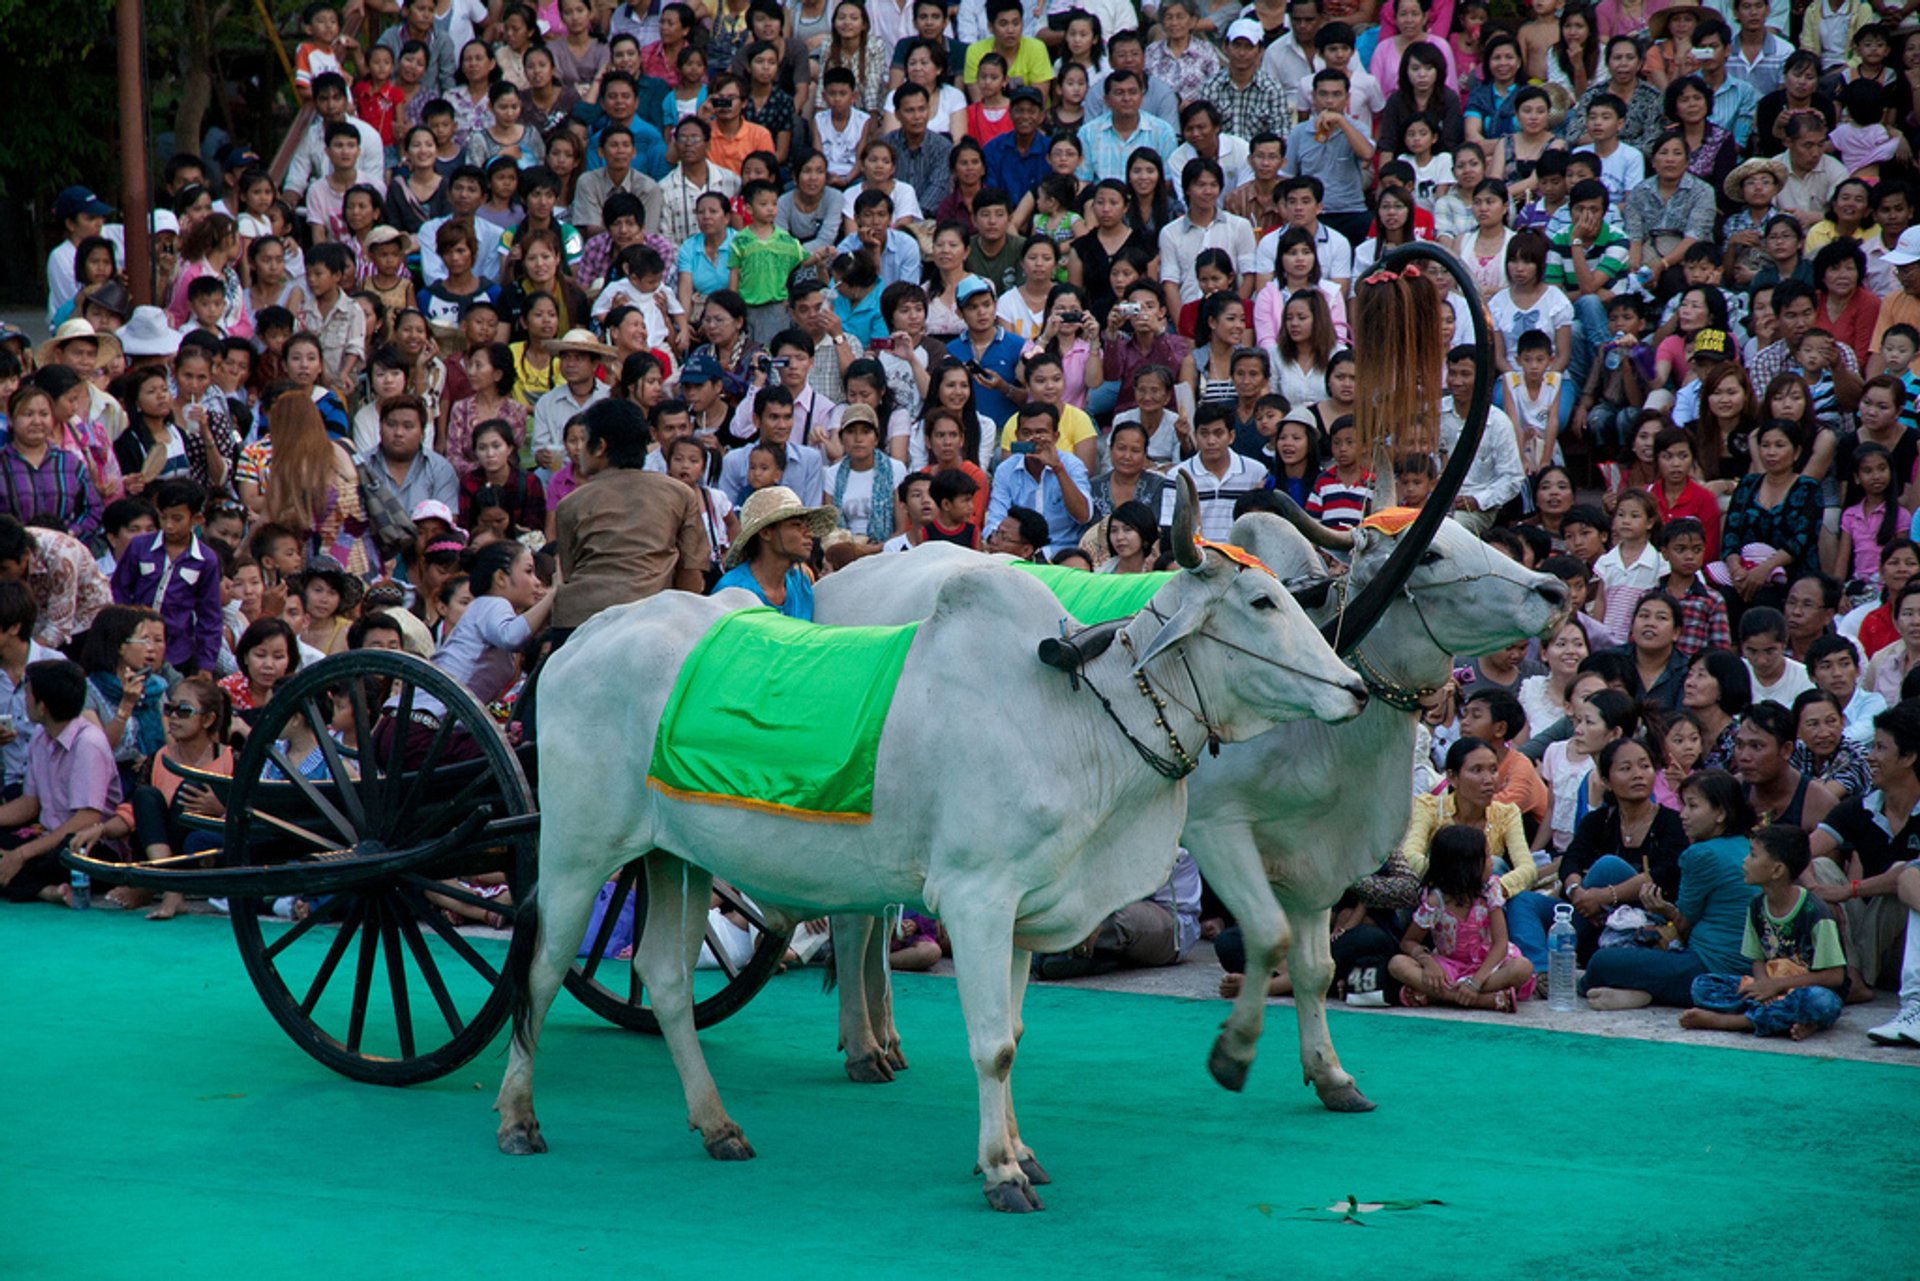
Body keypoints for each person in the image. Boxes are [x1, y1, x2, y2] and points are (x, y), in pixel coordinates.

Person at [1581, 769, 1760, 1008]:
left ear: (1720, 813)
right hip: (1750, 966)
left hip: (1710, 965)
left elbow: (1684, 925)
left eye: (1693, 807)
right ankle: (1641, 989)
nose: (1683, 815)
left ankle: (1644, 991)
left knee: (1601, 963)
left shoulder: (1701, 853)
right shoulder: (1747, 844)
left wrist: (1665, 911)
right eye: (1682, 805)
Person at [68, 673, 233, 920]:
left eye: (184, 711)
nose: (173, 717)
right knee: (146, 796)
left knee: (191, 787)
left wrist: (219, 807)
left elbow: (248, 816)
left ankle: (158, 884)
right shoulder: (158, 759)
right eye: (170, 709)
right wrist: (100, 829)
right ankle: (169, 885)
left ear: (208, 719)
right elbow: (134, 813)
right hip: (160, 847)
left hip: (202, 851)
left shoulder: (232, 759)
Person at [552, 399, 710, 636]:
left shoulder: (570, 504)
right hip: (652, 619)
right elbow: (692, 579)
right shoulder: (680, 494)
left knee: (545, 674)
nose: (578, 450)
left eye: (584, 441)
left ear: (600, 447)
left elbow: (569, 572)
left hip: (578, 621)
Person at [1680, 824, 1848, 1039]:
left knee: (1820, 1002)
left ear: (1777, 870)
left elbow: (1835, 976)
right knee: (1702, 985)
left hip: (1805, 990)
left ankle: (1736, 1022)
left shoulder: (1815, 913)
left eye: (1752, 856)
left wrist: (1776, 986)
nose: (1745, 861)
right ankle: (1785, 1019)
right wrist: (1763, 986)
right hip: (1771, 987)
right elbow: (1758, 959)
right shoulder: (1756, 906)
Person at [0, 660, 119, 905]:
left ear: (43, 707)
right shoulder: (40, 736)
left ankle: (27, 881)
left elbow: (86, 819)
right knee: (19, 855)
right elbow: (29, 804)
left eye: (29, 694)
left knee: (61, 856)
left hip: (89, 842)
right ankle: (46, 890)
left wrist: (21, 854)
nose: (25, 700)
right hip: (46, 835)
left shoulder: (89, 743)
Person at [1389, 823, 1535, 1011]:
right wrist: (1428, 962)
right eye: (1487, 856)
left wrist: (1476, 982)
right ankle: (1483, 1001)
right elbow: (1409, 941)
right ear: (1467, 867)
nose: (1492, 862)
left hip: (1487, 966)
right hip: (1448, 967)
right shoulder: (1436, 900)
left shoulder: (1490, 890)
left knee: (1522, 968)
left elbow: (1500, 943)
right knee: (1397, 964)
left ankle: (1439, 996)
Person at [109, 478, 223, 676]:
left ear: (196, 519)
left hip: (177, 653)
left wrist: (206, 665)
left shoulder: (206, 560)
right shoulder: (139, 547)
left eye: (177, 519)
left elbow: (209, 616)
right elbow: (119, 590)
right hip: (132, 646)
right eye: (163, 517)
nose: (169, 526)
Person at [711, 484, 835, 619]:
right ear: (766, 533)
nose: (809, 533)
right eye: (796, 525)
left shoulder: (800, 584)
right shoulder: (733, 591)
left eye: (807, 526)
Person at [984, 402, 1090, 556]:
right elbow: (995, 520)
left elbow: (1083, 516)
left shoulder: (1072, 465)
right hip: (1019, 553)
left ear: (1055, 436)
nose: (1032, 439)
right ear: (1017, 435)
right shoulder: (1005, 470)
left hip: (1064, 552)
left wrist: (1058, 469)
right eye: (1026, 433)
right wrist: (998, 542)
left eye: (1041, 433)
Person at [1733, 702, 1840, 831]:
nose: (1744, 756)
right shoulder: (1731, 790)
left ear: (1786, 750)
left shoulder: (1820, 805)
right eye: (1739, 745)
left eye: (1757, 746)